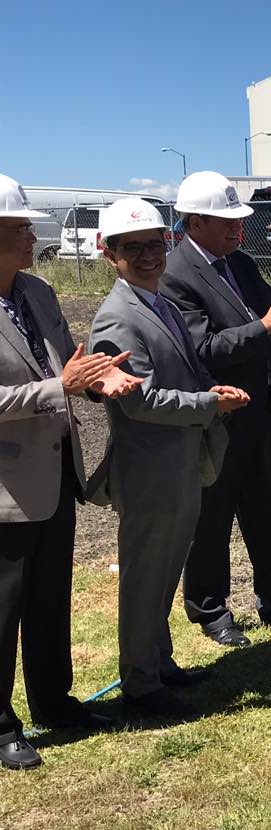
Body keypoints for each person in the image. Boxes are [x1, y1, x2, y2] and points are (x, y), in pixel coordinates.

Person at [88, 197, 250, 717]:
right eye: (132, 248)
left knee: (163, 571)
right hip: (149, 468)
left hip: (175, 462)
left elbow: (176, 375)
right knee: (144, 578)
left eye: (155, 245)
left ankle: (157, 662)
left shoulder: (159, 304)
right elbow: (136, 400)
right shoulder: (118, 317)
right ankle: (140, 682)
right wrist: (209, 404)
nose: (148, 256)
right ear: (107, 252)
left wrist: (209, 389)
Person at [0, 176, 139, 770]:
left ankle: (53, 701)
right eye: (21, 228)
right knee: (3, 608)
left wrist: (100, 381)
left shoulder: (35, 291)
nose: (33, 236)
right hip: (6, 487)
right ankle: (1, 726)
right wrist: (62, 387)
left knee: (51, 597)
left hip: (55, 472)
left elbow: (66, 362)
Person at [160, 171, 271, 649]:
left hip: (261, 411)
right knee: (213, 516)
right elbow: (200, 350)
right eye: (226, 221)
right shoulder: (175, 275)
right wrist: (267, 325)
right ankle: (209, 608)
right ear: (196, 222)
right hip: (217, 415)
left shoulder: (240, 263)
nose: (237, 228)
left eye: (237, 220)